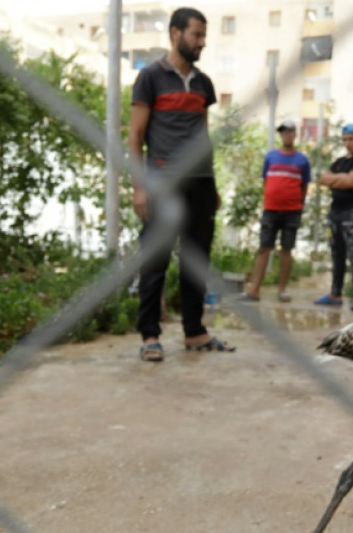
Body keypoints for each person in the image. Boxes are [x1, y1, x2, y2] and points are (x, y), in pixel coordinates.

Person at [129, 7, 235, 362]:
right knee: (155, 259)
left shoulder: (203, 83)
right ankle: (149, 335)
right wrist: (139, 188)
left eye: (204, 35)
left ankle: (194, 331)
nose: (202, 42)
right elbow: (135, 137)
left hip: (200, 183)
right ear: (175, 34)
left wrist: (212, 184)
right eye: (196, 35)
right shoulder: (150, 78)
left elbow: (202, 135)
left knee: (196, 258)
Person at [239, 119, 311, 303]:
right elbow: (266, 181)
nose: (286, 135)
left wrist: (299, 205)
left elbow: (304, 186)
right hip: (270, 210)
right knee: (264, 248)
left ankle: (282, 291)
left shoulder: (302, 160)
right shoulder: (270, 157)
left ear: (295, 134)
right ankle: (254, 290)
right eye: (283, 132)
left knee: (286, 250)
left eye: (289, 132)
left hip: (292, 211)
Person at [314, 123, 353, 311]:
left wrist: (338, 181)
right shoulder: (339, 162)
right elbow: (323, 179)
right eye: (345, 139)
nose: (347, 143)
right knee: (336, 254)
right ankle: (335, 294)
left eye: (351, 139)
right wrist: (343, 181)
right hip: (335, 213)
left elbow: (352, 181)